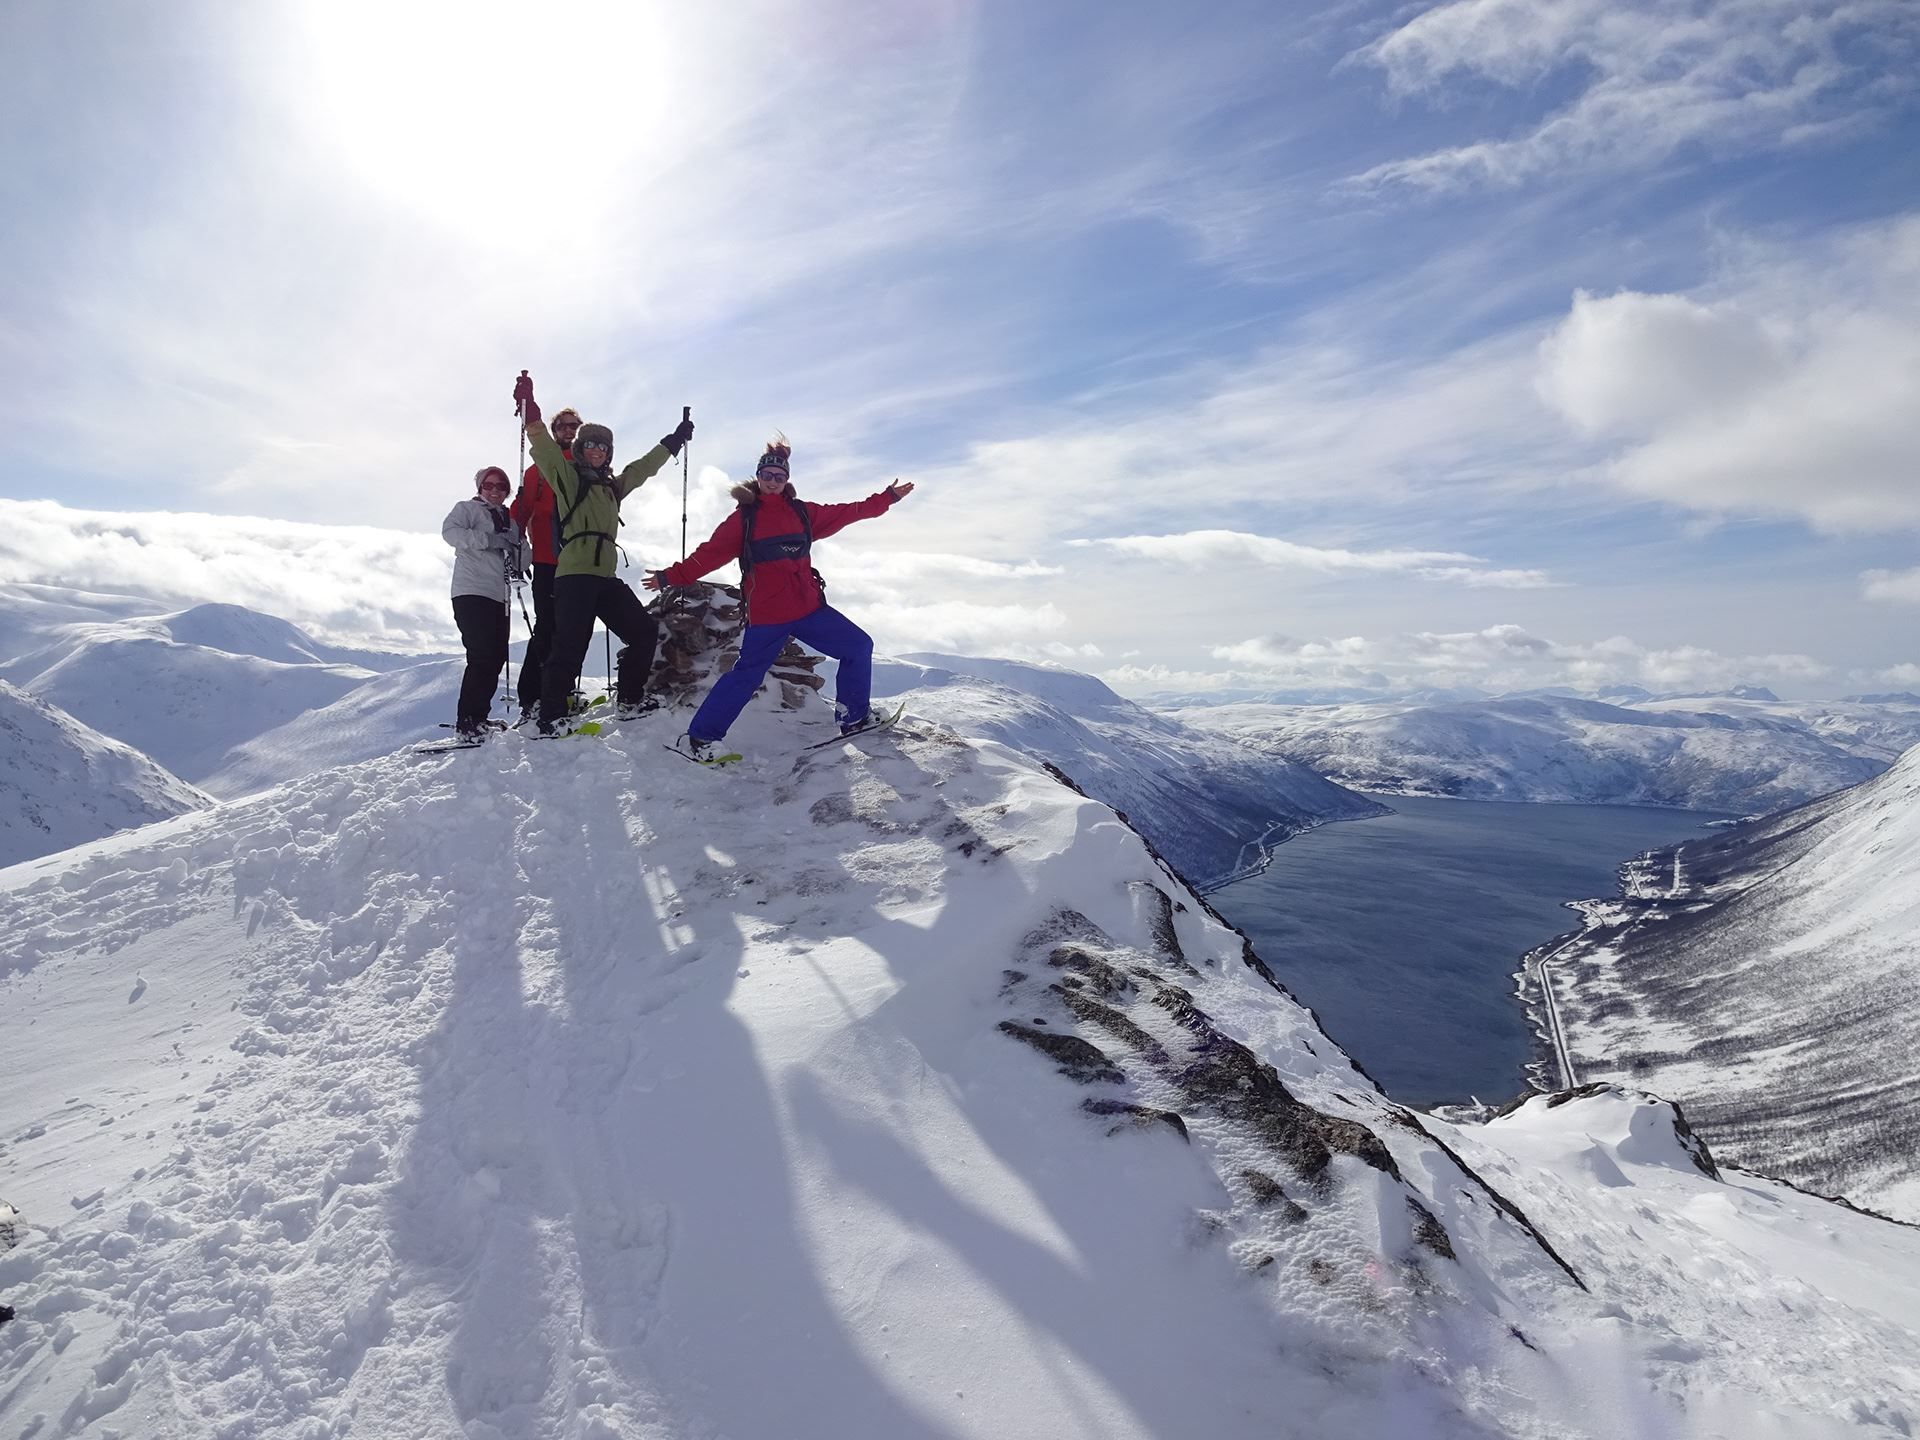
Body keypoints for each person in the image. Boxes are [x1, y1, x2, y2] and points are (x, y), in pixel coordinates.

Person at [644, 436, 915, 759]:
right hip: (768, 614)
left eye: (779, 476)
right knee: (747, 675)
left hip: (808, 608)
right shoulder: (743, 520)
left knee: (858, 646)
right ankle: (699, 739)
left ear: (787, 480)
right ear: (758, 478)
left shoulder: (802, 514)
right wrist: (670, 576)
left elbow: (847, 512)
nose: (773, 482)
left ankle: (854, 718)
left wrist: (886, 498)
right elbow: (709, 555)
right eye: (767, 476)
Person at [512, 372, 693, 735]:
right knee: (569, 645)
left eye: (603, 447)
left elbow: (642, 469)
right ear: (581, 450)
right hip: (575, 576)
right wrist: (529, 408)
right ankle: (549, 718)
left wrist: (674, 441)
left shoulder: (611, 486)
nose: (597, 451)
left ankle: (629, 701)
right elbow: (545, 449)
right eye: (591, 446)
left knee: (643, 631)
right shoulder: (568, 478)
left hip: (604, 578)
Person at [441, 466, 530, 740]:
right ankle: (468, 722)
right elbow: (450, 533)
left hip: (498, 595)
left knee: (495, 656)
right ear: (479, 487)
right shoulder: (467, 509)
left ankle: (476, 718)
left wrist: (517, 545)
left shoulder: (510, 520)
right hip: (471, 590)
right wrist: (488, 540)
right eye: (489, 485)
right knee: (481, 655)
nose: (494, 490)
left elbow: (522, 560)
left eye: (501, 486)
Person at [508, 405, 580, 723]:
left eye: (574, 425)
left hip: (575, 561)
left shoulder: (582, 463)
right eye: (564, 426)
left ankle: (552, 693)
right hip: (548, 560)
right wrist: (514, 546)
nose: (569, 430)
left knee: (567, 628)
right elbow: (520, 510)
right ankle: (535, 696)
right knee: (549, 628)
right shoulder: (538, 469)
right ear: (554, 430)